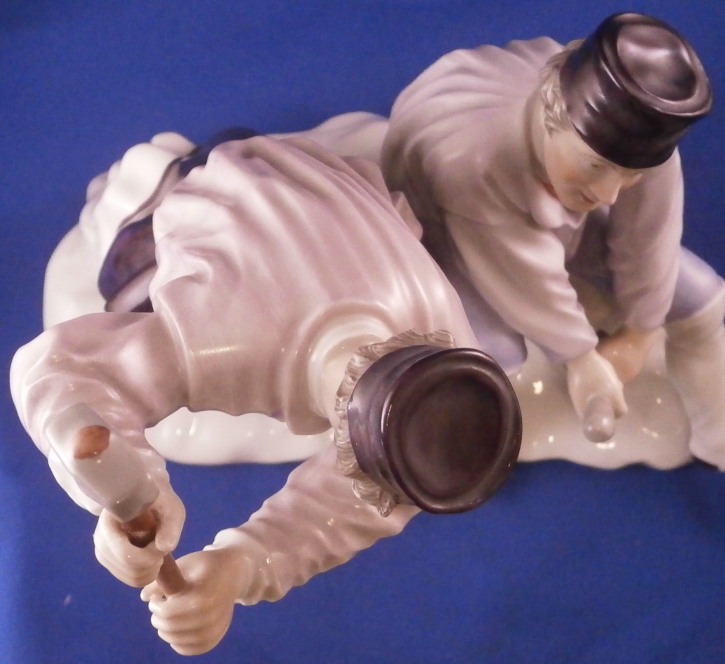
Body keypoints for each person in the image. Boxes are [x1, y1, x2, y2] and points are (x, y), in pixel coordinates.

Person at [10, 132, 520, 654]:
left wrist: (241, 564)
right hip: (213, 193)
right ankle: (155, 186)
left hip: (329, 184)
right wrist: (129, 483)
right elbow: (57, 366)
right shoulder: (225, 338)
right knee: (126, 284)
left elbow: (381, 493)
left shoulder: (456, 352)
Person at [381, 12, 725, 499]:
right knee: (486, 359)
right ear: (551, 119)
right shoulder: (473, 159)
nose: (610, 194)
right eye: (596, 166)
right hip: (451, 230)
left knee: (702, 302)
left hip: (549, 221)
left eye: (630, 175)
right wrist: (580, 358)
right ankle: (433, 457)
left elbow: (649, 234)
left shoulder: (640, 135)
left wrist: (641, 329)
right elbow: (520, 274)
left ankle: (719, 438)